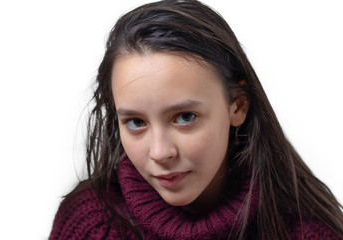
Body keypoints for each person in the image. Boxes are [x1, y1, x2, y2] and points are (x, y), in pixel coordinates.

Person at [49, 0, 343, 239]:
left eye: (185, 117)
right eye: (136, 122)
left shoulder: (308, 233)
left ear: (237, 106)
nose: (160, 152)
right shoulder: (88, 224)